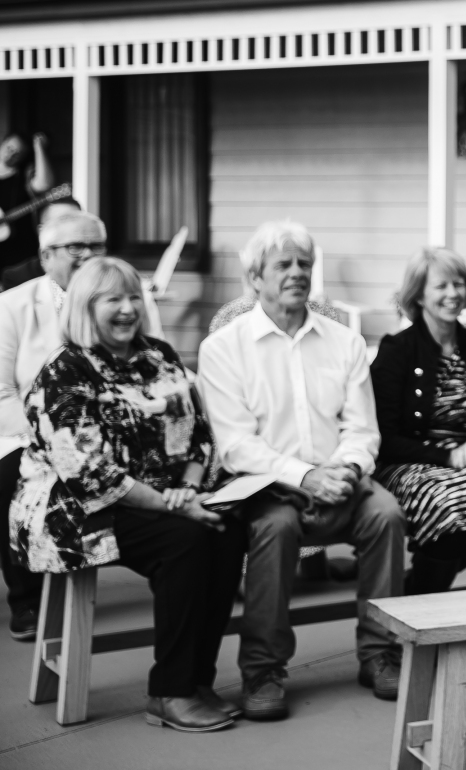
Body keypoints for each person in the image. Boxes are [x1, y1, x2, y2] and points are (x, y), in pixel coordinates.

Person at [10, 257, 244, 733]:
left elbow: (199, 436)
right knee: (184, 540)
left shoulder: (158, 356)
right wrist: (174, 505)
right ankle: (170, 692)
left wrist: (189, 489)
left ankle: (197, 678)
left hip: (166, 495)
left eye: (134, 296)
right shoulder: (65, 371)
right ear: (84, 306)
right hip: (73, 509)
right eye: (112, 299)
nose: (128, 308)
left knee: (227, 527)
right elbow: (88, 472)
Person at [197, 220, 406, 721]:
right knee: (275, 527)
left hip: (340, 478)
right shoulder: (223, 348)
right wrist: (305, 476)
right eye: (283, 264)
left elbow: (362, 429)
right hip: (265, 486)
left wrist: (347, 469)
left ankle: (380, 653)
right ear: (255, 277)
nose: (297, 272)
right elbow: (236, 447)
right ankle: (262, 670)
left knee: (386, 515)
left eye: (304, 264)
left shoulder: (344, 342)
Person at [371, 247, 466, 594]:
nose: (453, 294)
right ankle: (424, 597)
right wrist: (448, 456)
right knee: (447, 508)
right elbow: (386, 437)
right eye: (441, 286)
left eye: (458, 284)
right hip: (409, 461)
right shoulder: (398, 349)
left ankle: (419, 587)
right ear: (419, 295)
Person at [0, 207, 109, 640]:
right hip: (25, 433)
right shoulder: (12, 306)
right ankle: (27, 597)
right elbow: (2, 392)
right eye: (76, 247)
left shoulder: (127, 300)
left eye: (97, 246)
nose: (89, 255)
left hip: (108, 434)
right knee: (10, 478)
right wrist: (49, 441)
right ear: (46, 257)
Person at [0, 133, 53, 288]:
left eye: (18, 153)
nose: (11, 154)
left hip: (18, 247)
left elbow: (44, 184)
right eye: (9, 148)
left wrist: (38, 147)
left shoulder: (24, 175)